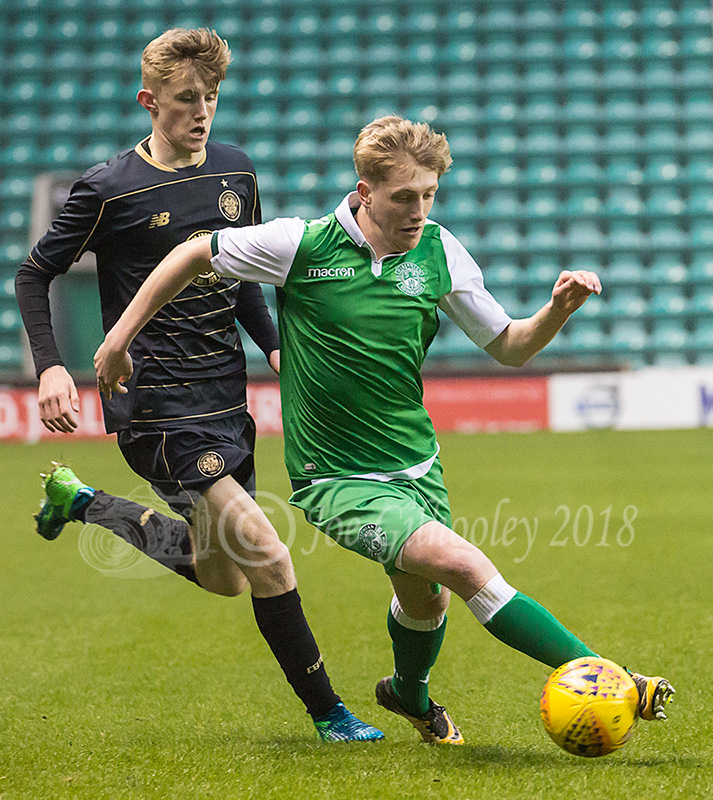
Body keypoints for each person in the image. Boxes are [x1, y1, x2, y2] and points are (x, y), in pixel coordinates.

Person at [94, 115, 675, 745]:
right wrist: (119, 340)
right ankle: (615, 679)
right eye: (405, 196)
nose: (419, 209)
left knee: (427, 602)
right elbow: (193, 251)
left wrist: (556, 311)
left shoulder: (440, 251)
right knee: (461, 563)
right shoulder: (303, 245)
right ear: (365, 190)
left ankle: (407, 694)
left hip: (418, 467)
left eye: (429, 194)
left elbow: (509, 346)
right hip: (337, 480)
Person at [15, 28, 384, 743]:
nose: (201, 111)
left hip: (226, 398)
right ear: (148, 101)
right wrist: (52, 364)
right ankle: (330, 714)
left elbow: (237, 272)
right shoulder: (108, 186)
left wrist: (276, 349)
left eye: (210, 98)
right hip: (154, 406)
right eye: (187, 99)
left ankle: (86, 504)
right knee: (270, 556)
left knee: (225, 578)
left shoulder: (235, 172)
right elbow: (35, 273)